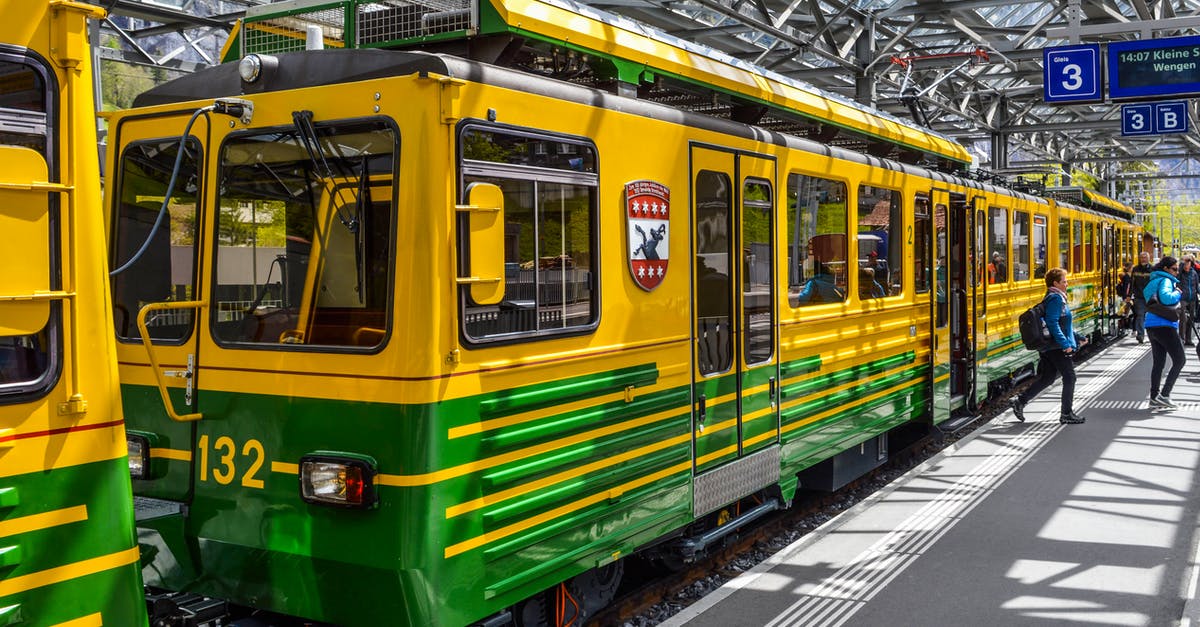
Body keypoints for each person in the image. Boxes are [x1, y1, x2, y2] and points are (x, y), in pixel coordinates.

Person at [1010, 267, 1087, 425]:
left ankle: (1020, 401)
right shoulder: (1055, 298)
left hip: (1050, 345)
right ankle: (1066, 413)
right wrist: (1065, 344)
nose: (1067, 284)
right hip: (1055, 346)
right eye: (1064, 281)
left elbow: (1062, 323)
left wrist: (1078, 337)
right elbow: (1052, 322)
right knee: (1070, 377)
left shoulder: (1055, 296)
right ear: (1056, 283)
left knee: (1048, 378)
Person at [1144, 256, 1186, 409]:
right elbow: (1167, 298)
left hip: (1151, 324)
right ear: (1166, 269)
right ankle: (1165, 394)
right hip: (1165, 325)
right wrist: (1178, 293)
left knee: (1159, 363)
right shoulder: (1166, 281)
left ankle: (1154, 397)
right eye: (1174, 269)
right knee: (1180, 360)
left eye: (1177, 269)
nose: (1176, 272)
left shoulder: (1152, 281)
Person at [1130, 251, 1154, 343]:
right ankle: (1140, 335)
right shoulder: (1135, 269)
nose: (1143, 259)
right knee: (1140, 315)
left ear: (1148, 258)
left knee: (1150, 316)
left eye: (1145, 257)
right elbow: (1132, 283)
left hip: (1150, 297)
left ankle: (1152, 335)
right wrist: (1129, 295)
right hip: (1139, 297)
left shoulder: (1153, 269)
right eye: (1141, 257)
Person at [1177, 255, 1198, 345]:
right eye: (1184, 263)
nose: (1186, 265)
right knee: (1183, 318)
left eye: (1188, 263)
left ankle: (1188, 339)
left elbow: (1196, 285)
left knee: (1191, 319)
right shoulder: (1180, 273)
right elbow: (1176, 280)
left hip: (1192, 298)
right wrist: (1181, 268)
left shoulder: (1194, 273)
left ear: (1191, 264)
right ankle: (1181, 338)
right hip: (1182, 298)